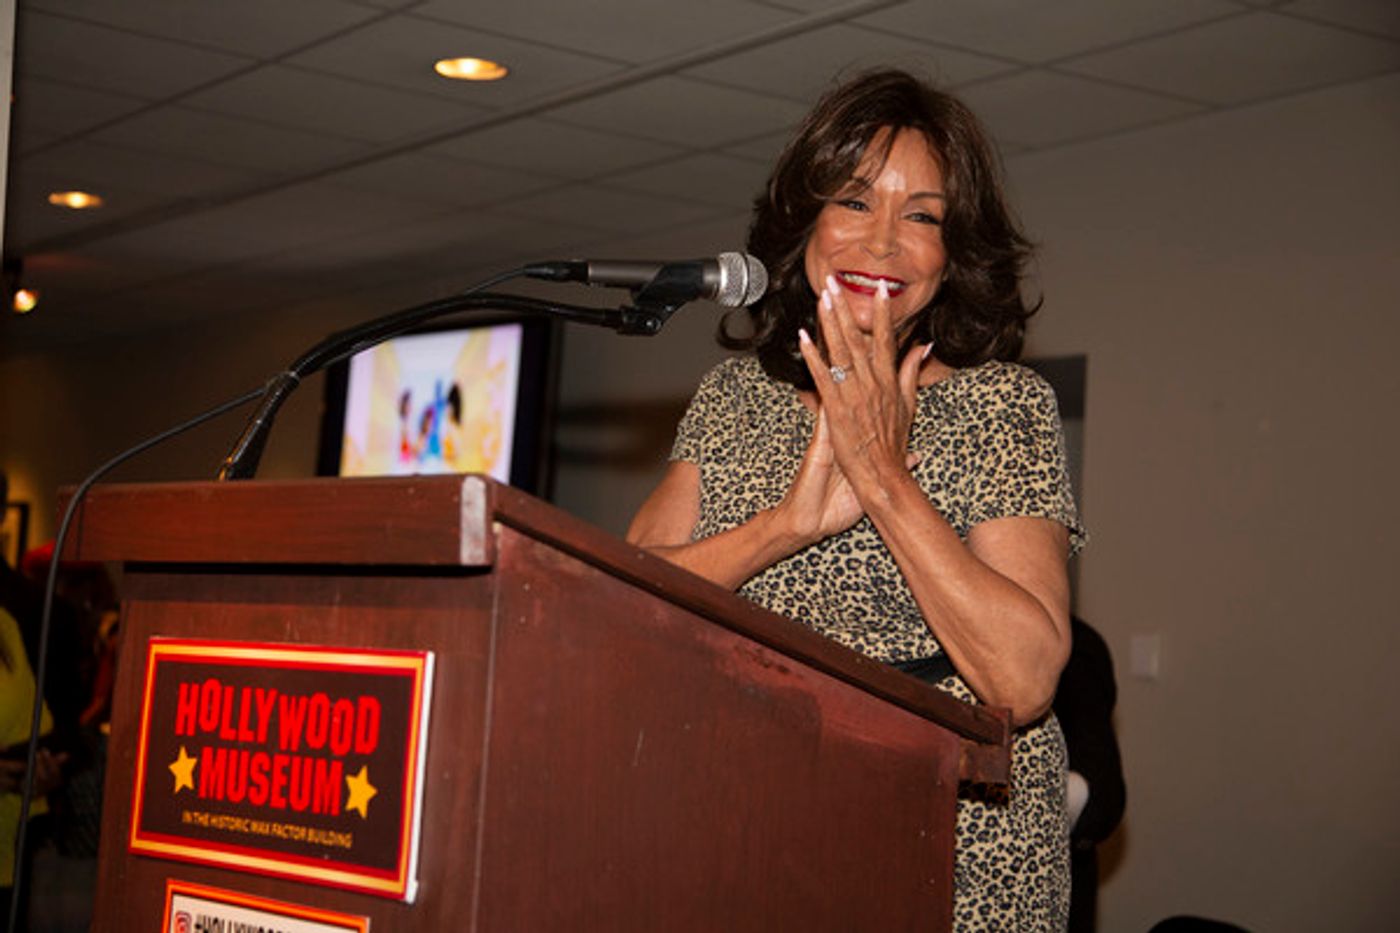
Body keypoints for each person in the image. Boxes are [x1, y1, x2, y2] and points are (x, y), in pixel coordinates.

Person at [627, 69, 1085, 931]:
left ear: (953, 254)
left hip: (956, 847)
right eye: (854, 201)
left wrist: (882, 477)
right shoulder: (735, 399)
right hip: (750, 815)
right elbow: (624, 598)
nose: (882, 242)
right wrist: (785, 527)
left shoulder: (1003, 406)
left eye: (923, 216)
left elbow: (1023, 680)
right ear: (805, 223)